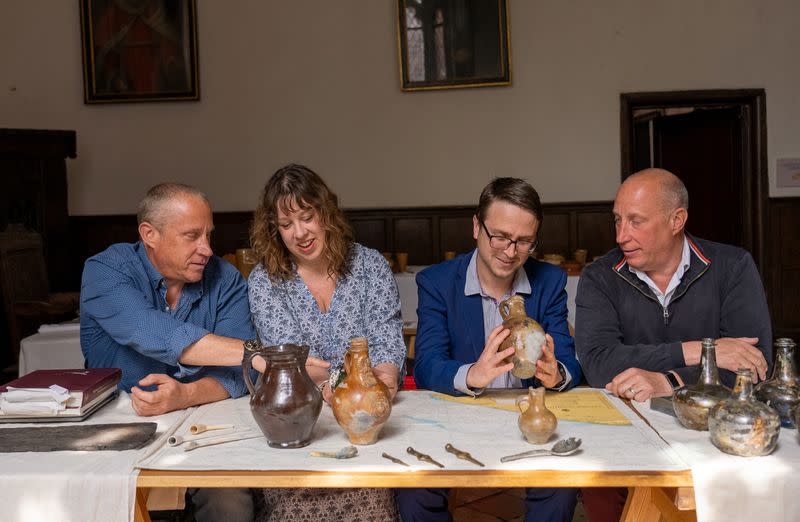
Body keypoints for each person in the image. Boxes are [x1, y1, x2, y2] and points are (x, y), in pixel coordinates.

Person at [574, 168, 772, 522]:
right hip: (628, 425)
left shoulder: (733, 267)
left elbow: (753, 369)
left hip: (712, 429)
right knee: (599, 485)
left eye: (636, 221)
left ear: (676, 219)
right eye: (618, 220)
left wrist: (669, 382)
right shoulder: (599, 276)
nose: (621, 235)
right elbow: (599, 362)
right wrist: (701, 350)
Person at [81, 183, 272, 522]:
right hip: (116, 426)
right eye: (192, 236)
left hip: (205, 425)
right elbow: (152, 331)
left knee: (230, 501)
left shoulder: (225, 279)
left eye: (209, 236)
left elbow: (240, 376)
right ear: (149, 234)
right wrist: (253, 352)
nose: (207, 249)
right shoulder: (105, 270)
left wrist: (186, 394)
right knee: (94, 500)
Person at [396, 177, 582, 522]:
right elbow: (425, 365)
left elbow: (571, 361)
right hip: (458, 417)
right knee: (413, 494)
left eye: (524, 241)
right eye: (500, 236)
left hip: (529, 418)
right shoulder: (437, 282)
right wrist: (473, 374)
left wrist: (557, 375)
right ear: (476, 227)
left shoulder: (550, 281)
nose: (510, 252)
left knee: (561, 488)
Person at [247, 164, 406, 521]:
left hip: (365, 420)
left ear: (325, 213)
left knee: (373, 501)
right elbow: (291, 364)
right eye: (287, 225)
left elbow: (386, 345)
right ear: (274, 229)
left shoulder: (369, 266)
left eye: (307, 217)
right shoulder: (265, 280)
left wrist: (380, 387)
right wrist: (340, 380)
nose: (300, 232)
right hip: (299, 423)